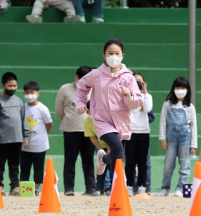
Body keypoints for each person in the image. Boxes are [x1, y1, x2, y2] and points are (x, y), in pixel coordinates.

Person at [75, 37, 142, 178]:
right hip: (102, 119)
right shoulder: (96, 75)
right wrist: (81, 104)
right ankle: (119, 183)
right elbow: (81, 86)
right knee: (118, 149)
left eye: (117, 53)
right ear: (104, 56)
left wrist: (129, 95)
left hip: (121, 120)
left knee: (116, 153)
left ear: (123, 55)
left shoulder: (128, 77)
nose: (114, 56)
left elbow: (136, 102)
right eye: (110, 53)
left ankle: (104, 160)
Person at [55, 65, 96, 196]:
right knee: (70, 159)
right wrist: (68, 120)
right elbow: (59, 110)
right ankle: (69, 188)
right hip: (70, 130)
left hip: (89, 131)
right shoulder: (65, 89)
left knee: (88, 160)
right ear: (76, 77)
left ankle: (90, 188)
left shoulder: (92, 90)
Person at [156, 77, 197, 197]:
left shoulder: (190, 107)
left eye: (183, 88)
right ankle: (165, 188)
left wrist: (194, 144)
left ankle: (181, 188)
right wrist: (163, 139)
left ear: (187, 90)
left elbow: (194, 126)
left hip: (185, 137)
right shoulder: (167, 104)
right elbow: (163, 122)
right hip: (171, 138)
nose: (180, 90)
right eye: (178, 88)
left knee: (185, 164)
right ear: (173, 89)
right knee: (168, 164)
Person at [0, 72, 30, 196]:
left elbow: (24, 119)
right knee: (0, 164)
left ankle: (14, 187)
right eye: (10, 86)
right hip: (2, 140)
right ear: (3, 85)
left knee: (14, 165)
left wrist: (26, 136)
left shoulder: (19, 101)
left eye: (14, 86)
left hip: (17, 139)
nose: (12, 88)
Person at [20, 81, 53, 196]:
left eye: (32, 92)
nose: (29, 95)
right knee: (24, 168)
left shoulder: (42, 108)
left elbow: (49, 124)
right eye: (27, 92)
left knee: (38, 168)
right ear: (23, 93)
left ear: (37, 94)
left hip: (39, 145)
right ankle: (24, 190)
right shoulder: (22, 108)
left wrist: (43, 135)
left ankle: (35, 189)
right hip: (24, 146)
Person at [125, 72, 152, 196]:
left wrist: (144, 93)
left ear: (144, 83)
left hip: (143, 133)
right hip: (131, 132)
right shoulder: (127, 96)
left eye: (140, 81)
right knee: (130, 161)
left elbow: (147, 108)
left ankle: (142, 186)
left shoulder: (147, 96)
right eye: (135, 81)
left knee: (142, 162)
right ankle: (129, 186)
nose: (137, 84)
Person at [84, 100, 112, 196]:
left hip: (112, 143)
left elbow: (111, 134)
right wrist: (100, 150)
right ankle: (99, 188)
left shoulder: (106, 118)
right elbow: (92, 137)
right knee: (100, 164)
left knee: (111, 165)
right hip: (101, 144)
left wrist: (109, 149)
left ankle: (112, 187)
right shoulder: (87, 121)